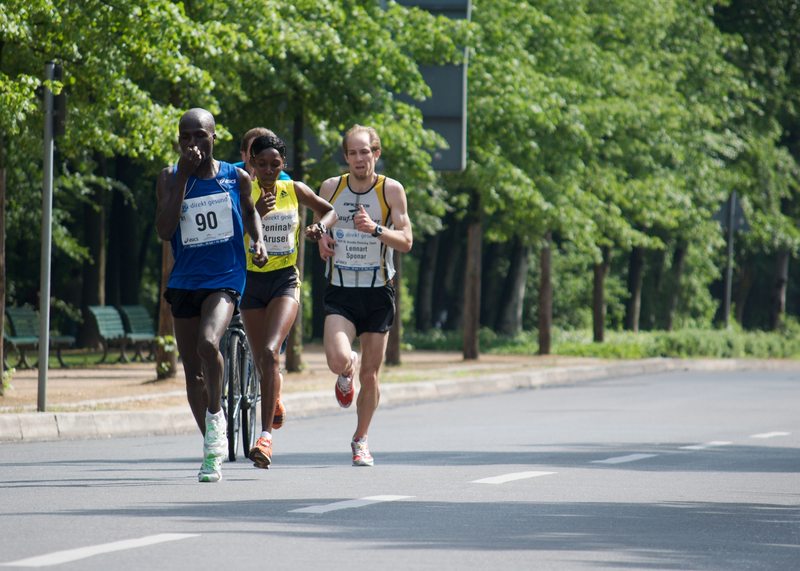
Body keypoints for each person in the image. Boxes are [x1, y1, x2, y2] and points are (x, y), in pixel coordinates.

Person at [156, 108, 268, 483]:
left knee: (208, 343)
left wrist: (259, 242)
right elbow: (164, 229)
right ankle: (211, 448)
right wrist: (184, 178)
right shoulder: (170, 178)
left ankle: (216, 417)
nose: (192, 144)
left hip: (225, 276)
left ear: (213, 138)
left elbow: (250, 213)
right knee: (192, 373)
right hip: (185, 279)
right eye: (185, 137)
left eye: (199, 136)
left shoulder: (234, 177)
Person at [317, 124, 413, 466]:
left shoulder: (391, 191)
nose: (359, 159)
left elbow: (406, 240)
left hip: (378, 292)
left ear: (376, 153)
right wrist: (322, 242)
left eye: (365, 152)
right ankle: (347, 370)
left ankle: (361, 438)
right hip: (341, 290)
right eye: (353, 153)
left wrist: (375, 229)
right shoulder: (331, 188)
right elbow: (319, 228)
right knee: (337, 359)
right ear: (346, 157)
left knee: (372, 373)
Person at [242, 133, 337, 469]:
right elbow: (230, 230)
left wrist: (318, 229)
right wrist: (253, 212)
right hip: (250, 282)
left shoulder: (293, 189)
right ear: (251, 164)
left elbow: (329, 212)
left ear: (284, 165)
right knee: (261, 359)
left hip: (285, 280)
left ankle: (265, 438)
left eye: (275, 165)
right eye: (262, 164)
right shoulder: (242, 190)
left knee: (270, 351)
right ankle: (274, 394)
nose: (269, 171)